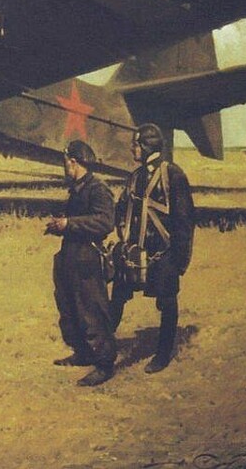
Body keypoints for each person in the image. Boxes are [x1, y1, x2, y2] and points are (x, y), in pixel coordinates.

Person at [110, 123, 195, 373]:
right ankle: (102, 346)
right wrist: (124, 240)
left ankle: (163, 354)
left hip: (164, 253)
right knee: (117, 297)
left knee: (167, 302)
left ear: (147, 146)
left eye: (135, 144)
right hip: (135, 253)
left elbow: (184, 220)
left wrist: (179, 260)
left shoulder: (173, 175)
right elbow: (121, 209)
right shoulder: (135, 177)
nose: (132, 149)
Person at [45, 140, 116, 387]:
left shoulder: (98, 189)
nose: (64, 166)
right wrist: (60, 225)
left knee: (92, 310)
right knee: (70, 307)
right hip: (70, 255)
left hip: (88, 257)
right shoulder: (77, 188)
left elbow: (105, 222)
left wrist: (70, 224)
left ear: (73, 162)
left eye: (65, 162)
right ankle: (83, 352)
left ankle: (105, 364)